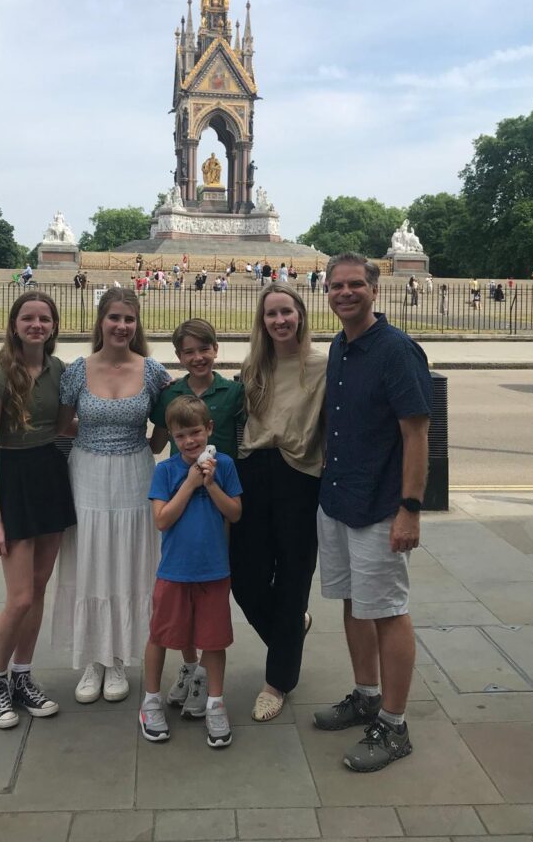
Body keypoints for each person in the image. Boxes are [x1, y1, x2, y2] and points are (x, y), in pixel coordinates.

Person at [313, 253, 432, 773]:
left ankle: (395, 722)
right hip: (339, 500)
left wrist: (410, 509)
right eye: (336, 285)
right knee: (352, 603)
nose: (345, 292)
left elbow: (416, 433)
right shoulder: (340, 346)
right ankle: (366, 694)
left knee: (385, 609)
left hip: (381, 505)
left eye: (355, 284)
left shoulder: (396, 350)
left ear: (375, 289)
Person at [51, 288, 171, 706]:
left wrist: (147, 441)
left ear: (137, 325)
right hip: (86, 473)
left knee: (129, 562)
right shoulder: (77, 371)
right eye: (114, 318)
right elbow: (63, 425)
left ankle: (118, 656)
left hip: (136, 474)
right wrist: (96, 436)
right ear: (101, 321)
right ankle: (93, 659)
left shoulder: (153, 371)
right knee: (91, 559)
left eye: (129, 320)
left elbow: (167, 426)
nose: (122, 326)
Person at [0, 292, 76, 729]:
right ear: (14, 324)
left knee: (38, 589)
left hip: (49, 475)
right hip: (13, 481)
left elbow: (62, 427)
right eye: (28, 318)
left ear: (54, 326)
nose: (36, 325)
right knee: (18, 598)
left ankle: (22, 675)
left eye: (44, 319)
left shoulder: (61, 370)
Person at [230, 283, 328, 722]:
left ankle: (278, 681)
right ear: (262, 321)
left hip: (300, 475)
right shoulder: (254, 367)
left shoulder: (324, 366)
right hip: (254, 471)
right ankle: (291, 632)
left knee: (292, 579)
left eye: (286, 312)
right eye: (271, 314)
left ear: (301, 314)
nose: (280, 320)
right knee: (245, 579)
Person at [150, 319, 246, 717]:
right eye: (188, 352)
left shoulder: (234, 391)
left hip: (220, 487)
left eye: (203, 349)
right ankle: (191, 668)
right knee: (181, 597)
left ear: (216, 349)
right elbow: (158, 438)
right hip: (181, 492)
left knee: (212, 590)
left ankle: (206, 677)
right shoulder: (172, 391)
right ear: (179, 357)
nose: (197, 357)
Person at [140, 396, 242, 746]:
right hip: (174, 571)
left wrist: (211, 483)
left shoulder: (224, 465)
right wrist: (190, 483)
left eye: (196, 433)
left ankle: (215, 703)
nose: (189, 442)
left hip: (214, 571)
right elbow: (161, 519)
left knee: (213, 641)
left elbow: (235, 513)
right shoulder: (166, 470)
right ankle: (150, 700)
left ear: (209, 430)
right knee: (161, 636)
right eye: (181, 436)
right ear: (171, 437)